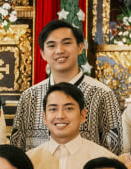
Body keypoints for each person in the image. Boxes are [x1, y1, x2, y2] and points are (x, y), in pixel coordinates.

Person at [10, 20, 122, 152]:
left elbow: (115, 151)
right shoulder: (29, 96)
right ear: (43, 53)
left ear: (80, 47)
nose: (59, 50)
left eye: (67, 43)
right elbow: (16, 149)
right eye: (51, 45)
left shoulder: (102, 94)